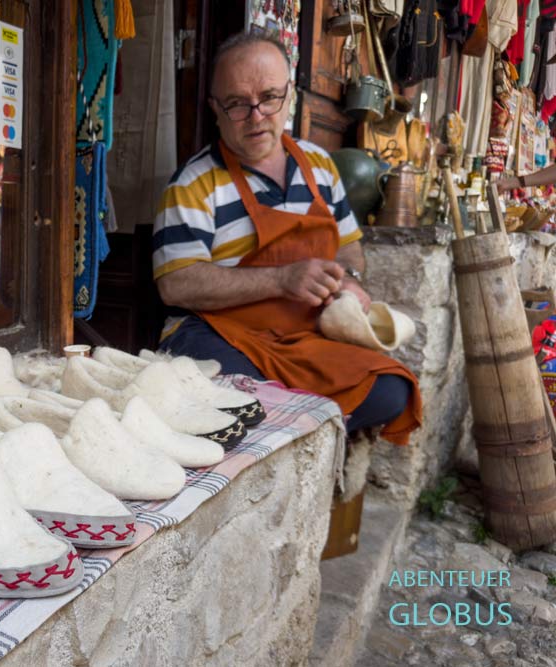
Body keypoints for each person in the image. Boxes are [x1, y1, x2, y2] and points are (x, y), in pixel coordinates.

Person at [153, 32, 422, 444]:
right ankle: (288, 440)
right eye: (237, 104)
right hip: (220, 332)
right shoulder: (193, 184)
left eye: (269, 97)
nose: (256, 116)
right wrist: (281, 279)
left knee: (391, 390)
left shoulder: (320, 166)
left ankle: (283, 441)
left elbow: (350, 247)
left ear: (289, 96)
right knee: (239, 393)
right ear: (215, 109)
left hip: (301, 331)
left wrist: (347, 280)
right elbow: (176, 284)